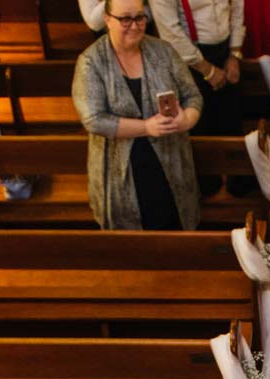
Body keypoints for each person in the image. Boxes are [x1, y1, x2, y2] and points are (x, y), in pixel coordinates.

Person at [74, 0, 205, 230]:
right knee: (132, 246)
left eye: (140, 17)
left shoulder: (163, 51)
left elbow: (193, 95)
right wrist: (146, 127)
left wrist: (188, 119)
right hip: (121, 172)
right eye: (125, 19)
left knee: (176, 230)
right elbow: (93, 119)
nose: (134, 26)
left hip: (171, 162)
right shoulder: (90, 61)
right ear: (107, 19)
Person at [148, 0, 245, 165]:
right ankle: (207, 185)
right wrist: (207, 69)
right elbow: (171, 32)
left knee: (232, 122)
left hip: (225, 50)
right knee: (199, 129)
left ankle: (237, 184)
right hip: (188, 59)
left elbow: (237, 8)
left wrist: (234, 53)